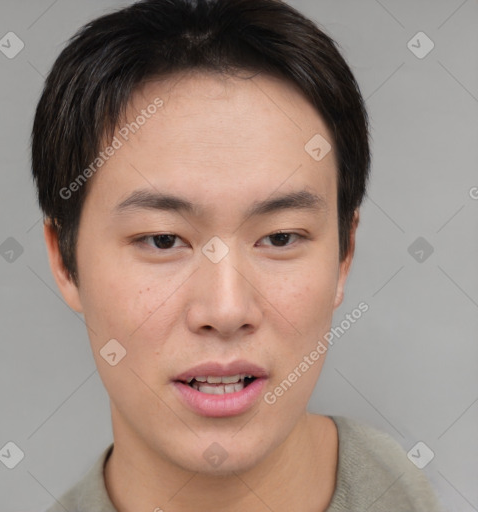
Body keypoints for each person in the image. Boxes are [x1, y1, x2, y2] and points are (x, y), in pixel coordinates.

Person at [32, 0, 444, 510]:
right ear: (64, 262)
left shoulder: (403, 491)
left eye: (280, 237)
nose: (226, 310)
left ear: (345, 253)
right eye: (163, 240)